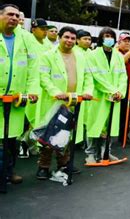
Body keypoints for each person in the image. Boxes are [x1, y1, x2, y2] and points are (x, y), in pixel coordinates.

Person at [35, 27, 94, 179]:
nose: (69, 41)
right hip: (54, 101)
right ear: (59, 38)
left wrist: (88, 91)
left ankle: (64, 164)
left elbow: (88, 76)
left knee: (67, 133)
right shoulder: (48, 55)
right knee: (49, 134)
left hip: (74, 102)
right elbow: (43, 77)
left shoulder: (81, 56)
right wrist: (56, 92)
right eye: (66, 37)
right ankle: (43, 166)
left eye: (72, 38)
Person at [0, 4, 39, 184]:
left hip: (16, 100)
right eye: (10, 14)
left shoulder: (25, 39)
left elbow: (33, 68)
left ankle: (8, 172)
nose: (14, 18)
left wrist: (31, 91)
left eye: (17, 15)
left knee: (12, 140)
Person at [84, 27, 127, 163]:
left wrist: (120, 92)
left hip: (115, 97)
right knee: (94, 123)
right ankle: (90, 153)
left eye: (111, 36)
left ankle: (105, 152)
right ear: (101, 38)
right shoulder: (92, 54)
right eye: (106, 36)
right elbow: (95, 76)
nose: (109, 39)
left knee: (109, 125)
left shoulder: (118, 56)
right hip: (98, 95)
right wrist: (112, 90)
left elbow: (123, 76)